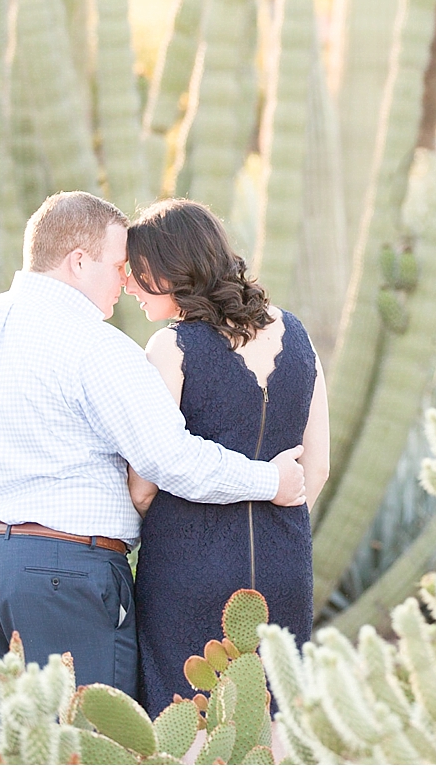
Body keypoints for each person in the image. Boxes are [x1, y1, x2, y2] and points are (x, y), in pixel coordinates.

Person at [0, 191, 307, 703]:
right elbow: (169, 460)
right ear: (79, 261)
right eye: (119, 265)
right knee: (94, 740)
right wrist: (271, 480)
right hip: (65, 575)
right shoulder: (95, 347)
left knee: (5, 744)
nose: (127, 282)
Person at [122, 198, 328, 717]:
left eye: (138, 273)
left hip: (187, 568)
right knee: (273, 713)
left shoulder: (169, 347)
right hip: (285, 565)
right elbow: (316, 467)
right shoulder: (298, 337)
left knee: (187, 718)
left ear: (172, 267)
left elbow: (145, 483)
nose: (129, 287)